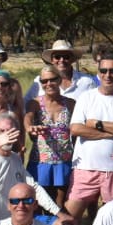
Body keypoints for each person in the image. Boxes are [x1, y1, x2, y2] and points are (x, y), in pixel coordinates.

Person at [66, 52, 113, 223]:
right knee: (69, 219)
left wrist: (95, 123)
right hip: (84, 167)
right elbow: (75, 129)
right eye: (103, 70)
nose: (108, 75)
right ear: (98, 73)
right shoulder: (86, 97)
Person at [24, 67, 76, 209]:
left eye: (52, 79)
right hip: (40, 161)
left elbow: (76, 131)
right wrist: (30, 127)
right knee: (40, 203)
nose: (49, 83)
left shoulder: (70, 104)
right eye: (44, 81)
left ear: (59, 80)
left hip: (64, 161)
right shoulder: (34, 103)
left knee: (60, 204)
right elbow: (27, 118)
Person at [26, 39, 97, 101]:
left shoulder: (87, 81)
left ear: (72, 59)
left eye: (66, 57)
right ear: (52, 60)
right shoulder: (40, 81)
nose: (61, 60)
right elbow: (25, 104)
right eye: (57, 57)